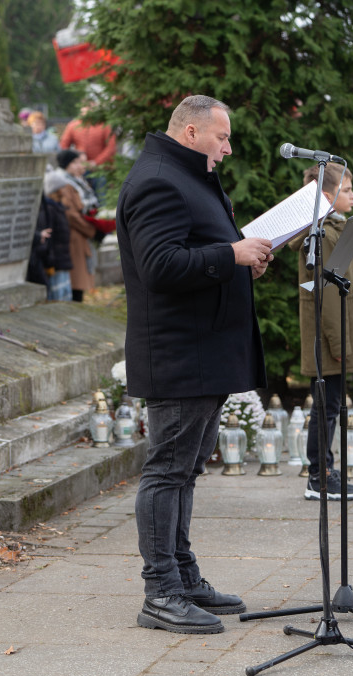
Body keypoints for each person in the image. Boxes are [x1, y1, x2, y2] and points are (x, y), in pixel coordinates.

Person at [116, 94, 273, 634]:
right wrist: (231, 254)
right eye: (222, 138)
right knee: (166, 472)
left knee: (185, 469)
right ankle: (160, 593)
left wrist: (241, 261)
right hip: (180, 354)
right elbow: (159, 267)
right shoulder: (159, 180)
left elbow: (194, 254)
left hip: (204, 351)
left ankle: (182, 577)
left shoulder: (186, 175)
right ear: (190, 132)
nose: (228, 149)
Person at [287, 163, 353, 499]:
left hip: (332, 336)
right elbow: (326, 295)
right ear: (326, 196)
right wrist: (340, 342)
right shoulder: (323, 235)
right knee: (325, 407)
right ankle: (319, 477)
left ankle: (325, 469)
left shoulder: (334, 229)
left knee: (329, 405)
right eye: (346, 190)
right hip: (329, 338)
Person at [43, 167, 95, 302]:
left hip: (64, 258)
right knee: (58, 296)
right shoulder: (51, 209)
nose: (63, 191)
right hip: (57, 260)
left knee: (66, 294)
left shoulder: (59, 207)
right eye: (60, 188)